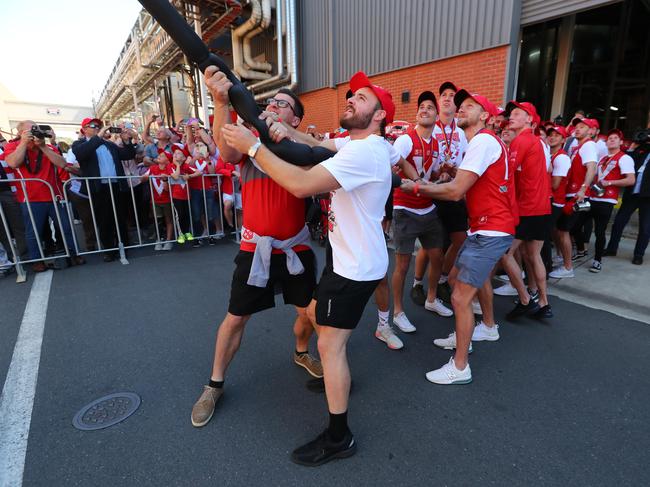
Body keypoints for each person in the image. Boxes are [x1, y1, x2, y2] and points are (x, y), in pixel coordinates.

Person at [222, 70, 395, 466]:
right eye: (351, 96)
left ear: (381, 114)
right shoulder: (358, 144)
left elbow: (300, 184)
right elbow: (314, 142)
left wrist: (253, 147)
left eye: (363, 99)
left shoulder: (365, 151)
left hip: (354, 268)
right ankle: (331, 376)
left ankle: (339, 437)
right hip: (351, 261)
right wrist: (285, 129)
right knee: (317, 315)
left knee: (330, 346)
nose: (352, 100)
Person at [190, 69, 323, 433]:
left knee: (311, 314)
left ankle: (301, 352)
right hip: (256, 249)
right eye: (271, 102)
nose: (273, 106)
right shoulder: (251, 143)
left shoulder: (303, 145)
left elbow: (316, 161)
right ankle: (214, 385)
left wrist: (289, 137)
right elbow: (227, 149)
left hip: (296, 249)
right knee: (235, 319)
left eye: (282, 104)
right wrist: (220, 103)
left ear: (294, 118)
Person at [400, 90, 516, 385]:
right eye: (461, 105)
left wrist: (416, 186)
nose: (462, 109)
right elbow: (462, 182)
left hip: (490, 230)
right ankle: (485, 327)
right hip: (485, 229)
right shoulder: (483, 143)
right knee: (455, 280)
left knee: (459, 296)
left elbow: (455, 191)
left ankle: (460, 366)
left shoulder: (482, 141)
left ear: (485, 116)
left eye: (470, 106)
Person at [390, 89, 453, 337]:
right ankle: (397, 312)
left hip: (428, 207)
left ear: (437, 115)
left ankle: (431, 298)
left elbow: (433, 174)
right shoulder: (405, 140)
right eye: (421, 107)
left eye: (429, 107)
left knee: (437, 256)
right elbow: (391, 169)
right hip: (405, 208)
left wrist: (443, 175)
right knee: (402, 265)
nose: (424, 109)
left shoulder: (436, 143)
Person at [412, 81, 468, 307]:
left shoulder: (462, 131)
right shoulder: (431, 126)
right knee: (430, 244)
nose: (447, 98)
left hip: (454, 190)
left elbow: (465, 158)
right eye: (443, 95)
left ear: (457, 104)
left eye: (452, 95)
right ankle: (417, 283)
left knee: (459, 239)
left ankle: (443, 278)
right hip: (434, 190)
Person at [3, 121, 84, 271]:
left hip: (55, 196)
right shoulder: (12, 147)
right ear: (20, 133)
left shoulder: (48, 147)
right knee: (33, 232)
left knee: (66, 227)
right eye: (30, 130)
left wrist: (42, 146)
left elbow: (62, 164)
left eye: (37, 129)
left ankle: (74, 253)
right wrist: (23, 143)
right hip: (30, 199)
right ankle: (37, 260)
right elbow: (13, 163)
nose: (35, 132)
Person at [500, 101, 552, 319]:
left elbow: (506, 173)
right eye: (511, 113)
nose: (512, 116)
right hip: (542, 207)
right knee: (534, 255)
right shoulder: (540, 142)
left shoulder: (521, 140)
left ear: (529, 119)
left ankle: (525, 299)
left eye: (518, 113)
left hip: (527, 208)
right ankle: (544, 302)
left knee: (504, 253)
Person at [72, 118, 136, 262]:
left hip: (115, 185)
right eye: (93, 126)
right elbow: (81, 154)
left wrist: (126, 141)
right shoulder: (80, 144)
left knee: (120, 216)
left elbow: (128, 155)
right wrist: (98, 136)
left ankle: (124, 246)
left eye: (99, 126)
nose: (97, 128)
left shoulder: (109, 145)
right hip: (99, 187)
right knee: (104, 219)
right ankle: (109, 249)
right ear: (84, 129)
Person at [586, 129, 635, 273]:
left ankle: (597, 260)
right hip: (593, 197)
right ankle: (581, 251)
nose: (611, 140)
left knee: (600, 232)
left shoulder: (625, 158)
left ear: (621, 142)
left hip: (607, 200)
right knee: (575, 224)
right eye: (609, 138)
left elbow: (631, 180)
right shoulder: (602, 158)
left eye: (615, 138)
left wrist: (610, 183)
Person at [604, 131, 650, 265]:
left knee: (645, 228)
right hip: (632, 194)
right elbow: (626, 161)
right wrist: (634, 146)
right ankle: (612, 248)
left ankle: (638, 255)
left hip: (648, 197)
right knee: (618, 222)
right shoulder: (640, 150)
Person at [566, 118, 599, 259]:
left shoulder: (588, 145)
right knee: (572, 227)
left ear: (591, 131)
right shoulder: (578, 146)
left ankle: (576, 252)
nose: (577, 129)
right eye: (576, 127)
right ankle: (579, 250)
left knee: (570, 227)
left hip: (578, 193)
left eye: (582, 127)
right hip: (573, 191)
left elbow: (591, 168)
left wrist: (583, 189)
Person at [546, 126, 575, 278]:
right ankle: (557, 260)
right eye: (550, 134)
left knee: (558, 234)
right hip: (550, 200)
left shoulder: (562, 157)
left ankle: (567, 266)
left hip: (556, 201)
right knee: (553, 233)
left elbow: (555, 184)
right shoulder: (551, 154)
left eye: (557, 135)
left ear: (564, 140)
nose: (552, 137)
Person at [142, 151, 174, 250]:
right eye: (159, 155)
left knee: (168, 220)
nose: (159, 156)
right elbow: (142, 179)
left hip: (167, 200)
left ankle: (169, 240)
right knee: (158, 220)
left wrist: (164, 180)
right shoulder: (152, 168)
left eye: (163, 155)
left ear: (167, 160)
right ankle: (159, 239)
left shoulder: (169, 170)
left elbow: (167, 189)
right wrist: (145, 177)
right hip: (155, 200)